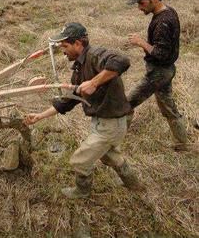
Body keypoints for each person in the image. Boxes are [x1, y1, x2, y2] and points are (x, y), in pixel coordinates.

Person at [24, 23, 142, 199]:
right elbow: (69, 101)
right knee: (110, 156)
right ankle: (135, 185)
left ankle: (82, 191)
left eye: (65, 46)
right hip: (104, 122)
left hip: (110, 124)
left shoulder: (95, 55)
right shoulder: (79, 67)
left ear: (78, 43)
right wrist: (40, 116)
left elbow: (122, 60)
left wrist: (94, 82)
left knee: (79, 160)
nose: (63, 52)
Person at [127, 0, 188, 151]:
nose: (139, 7)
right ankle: (182, 143)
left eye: (142, 2)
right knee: (169, 108)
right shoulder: (169, 11)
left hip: (159, 73)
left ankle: (111, 143)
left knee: (125, 104)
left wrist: (141, 43)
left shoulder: (163, 22)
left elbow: (161, 54)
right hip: (167, 71)